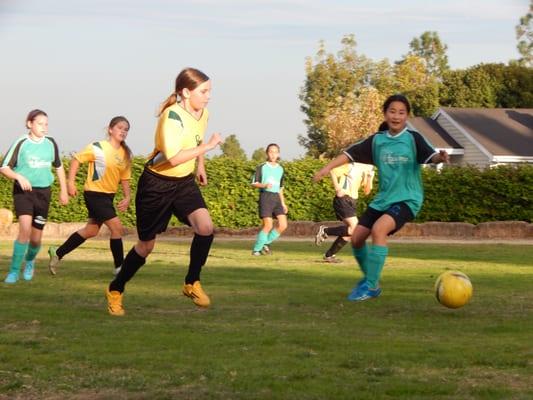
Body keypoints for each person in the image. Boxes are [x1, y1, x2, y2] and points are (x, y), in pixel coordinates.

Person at [105, 67, 223, 316]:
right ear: (186, 92)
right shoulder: (171, 117)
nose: (208, 96)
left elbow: (196, 142)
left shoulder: (203, 113)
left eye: (209, 91)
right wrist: (210, 148)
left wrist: (200, 165)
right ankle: (116, 289)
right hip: (156, 186)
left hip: (183, 184)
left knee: (206, 228)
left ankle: (191, 282)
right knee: (146, 246)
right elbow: (174, 157)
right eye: (204, 91)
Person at [313, 94, 449, 301]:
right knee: (356, 238)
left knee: (379, 230)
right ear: (385, 114)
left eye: (401, 112)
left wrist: (441, 157)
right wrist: (326, 169)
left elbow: (431, 156)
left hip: (407, 199)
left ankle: (370, 285)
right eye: (392, 111)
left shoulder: (413, 138)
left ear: (407, 116)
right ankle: (371, 280)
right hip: (382, 200)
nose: (396, 116)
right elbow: (349, 154)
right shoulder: (377, 141)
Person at [48, 116, 133, 276]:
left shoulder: (125, 154)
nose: (123, 131)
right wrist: (70, 183)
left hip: (108, 197)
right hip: (94, 194)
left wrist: (127, 197)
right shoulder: (97, 147)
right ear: (110, 129)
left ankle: (57, 252)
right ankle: (119, 268)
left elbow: (125, 178)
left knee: (91, 231)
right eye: (120, 127)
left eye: (126, 129)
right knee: (117, 228)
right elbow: (75, 160)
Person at [1, 109, 68, 283]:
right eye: (40, 123)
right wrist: (19, 176)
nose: (44, 127)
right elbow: (4, 167)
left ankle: (29, 262)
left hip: (44, 193)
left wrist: (63, 190)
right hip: (23, 193)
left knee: (36, 239)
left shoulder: (51, 143)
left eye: (46, 124)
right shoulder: (21, 142)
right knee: (24, 230)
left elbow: (59, 166)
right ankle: (14, 271)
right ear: (30, 124)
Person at [315, 162, 373, 263]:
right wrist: (338, 188)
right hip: (343, 199)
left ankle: (329, 255)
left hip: (353, 201)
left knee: (348, 234)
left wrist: (368, 178)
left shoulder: (369, 168)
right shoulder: (351, 165)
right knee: (355, 229)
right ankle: (325, 230)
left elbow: (367, 191)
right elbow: (332, 171)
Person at [251, 143, 288, 256]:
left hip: (276, 198)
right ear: (267, 153)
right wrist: (264, 185)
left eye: (275, 152)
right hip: (265, 197)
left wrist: (283, 203)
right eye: (271, 152)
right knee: (268, 225)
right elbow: (254, 183)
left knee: (283, 225)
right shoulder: (261, 167)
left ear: (278, 154)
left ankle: (265, 243)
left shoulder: (281, 169)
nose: (273, 154)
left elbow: (280, 188)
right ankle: (256, 250)